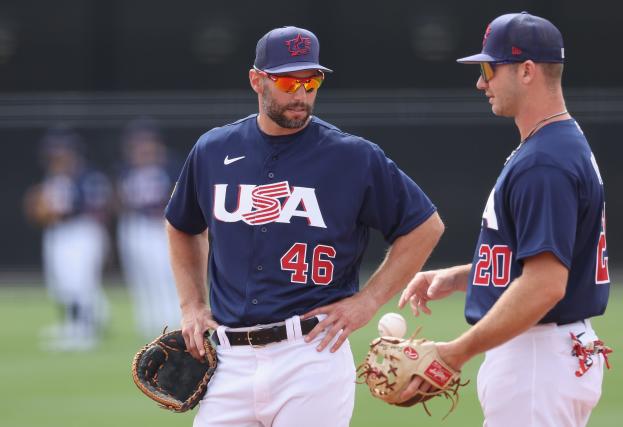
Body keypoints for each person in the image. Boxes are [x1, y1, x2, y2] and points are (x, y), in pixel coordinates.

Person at [165, 26, 444, 427]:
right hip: (228, 360)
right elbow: (181, 225)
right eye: (287, 81)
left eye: (311, 81)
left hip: (311, 355)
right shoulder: (214, 149)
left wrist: (368, 301)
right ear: (256, 80)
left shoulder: (352, 157)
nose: (301, 93)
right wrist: (191, 305)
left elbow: (425, 226)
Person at [398, 12, 611, 427]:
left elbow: (546, 284)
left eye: (488, 69)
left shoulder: (545, 162)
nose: (481, 82)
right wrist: (466, 276)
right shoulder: (556, 143)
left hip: (537, 357)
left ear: (527, 70)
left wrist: (455, 352)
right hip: (545, 354)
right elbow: (544, 258)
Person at [24, 125, 112, 351]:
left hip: (81, 230)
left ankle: (86, 328)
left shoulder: (86, 176)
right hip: (59, 233)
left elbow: (95, 206)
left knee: (80, 281)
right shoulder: (52, 177)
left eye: (61, 151)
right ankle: (74, 324)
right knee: (62, 284)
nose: (56, 155)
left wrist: (58, 210)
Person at [116, 118, 181, 339]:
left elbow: (180, 194)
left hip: (161, 224)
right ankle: (147, 320)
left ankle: (172, 319)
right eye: (138, 142)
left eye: (146, 141)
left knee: (166, 272)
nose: (142, 147)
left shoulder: (170, 165)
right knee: (140, 274)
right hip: (136, 223)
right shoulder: (126, 168)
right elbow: (120, 197)